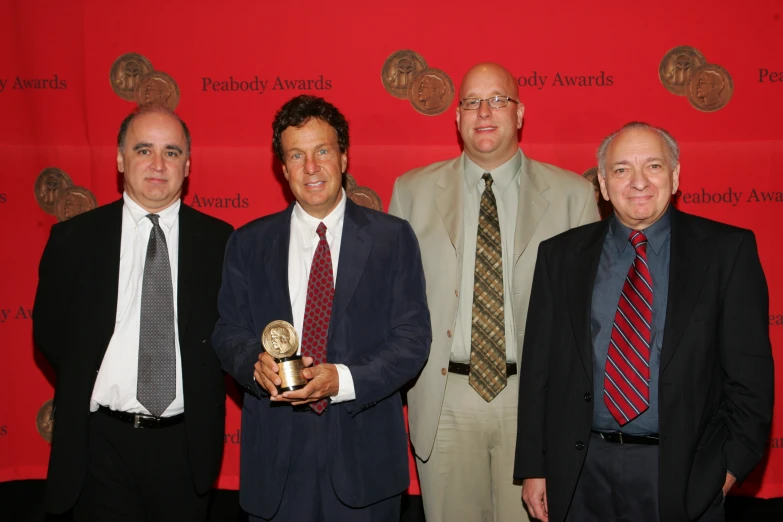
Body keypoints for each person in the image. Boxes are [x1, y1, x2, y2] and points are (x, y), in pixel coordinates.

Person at [515, 122, 773, 522]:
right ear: (602, 183)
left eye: (653, 166)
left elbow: (751, 379)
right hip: (582, 472)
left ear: (675, 176)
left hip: (683, 473)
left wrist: (727, 470)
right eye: (621, 170)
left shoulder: (727, 252)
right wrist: (534, 466)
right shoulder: (560, 257)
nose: (638, 182)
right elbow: (538, 372)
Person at [389, 62, 599, 522]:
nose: (484, 111)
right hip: (444, 398)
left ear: (520, 114)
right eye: (471, 102)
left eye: (498, 100)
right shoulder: (411, 192)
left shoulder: (573, 197)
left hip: (533, 399)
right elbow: (393, 304)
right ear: (457, 116)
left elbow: (588, 320)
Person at [212, 94, 431, 522]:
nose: (311, 167)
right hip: (275, 466)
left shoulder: (392, 239)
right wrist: (254, 366)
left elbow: (412, 340)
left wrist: (341, 380)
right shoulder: (248, 242)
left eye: (323, 151)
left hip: (364, 464)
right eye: (297, 154)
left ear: (344, 158)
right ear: (282, 167)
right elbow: (227, 332)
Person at [33, 104, 233, 521]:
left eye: (172, 152)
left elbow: (229, 338)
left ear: (188, 165)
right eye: (144, 150)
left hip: (185, 449)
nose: (158, 164)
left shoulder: (222, 243)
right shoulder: (73, 239)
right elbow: (51, 336)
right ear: (121, 159)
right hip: (97, 448)